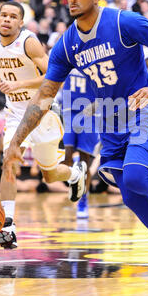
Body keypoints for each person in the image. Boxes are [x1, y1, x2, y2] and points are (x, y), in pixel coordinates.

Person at [2, 0, 148, 283]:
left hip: (141, 109)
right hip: (110, 118)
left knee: (136, 179)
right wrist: (16, 142)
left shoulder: (122, 22)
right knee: (130, 193)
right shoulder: (67, 43)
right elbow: (45, 93)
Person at [0, 1, 87, 249]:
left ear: (21, 22)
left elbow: (54, 75)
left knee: (49, 175)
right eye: (3, 15)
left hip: (42, 112)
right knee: (9, 157)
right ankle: (8, 224)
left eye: (12, 16)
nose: (6, 19)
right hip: (16, 114)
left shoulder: (28, 42)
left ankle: (74, 174)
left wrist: (19, 85)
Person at [62, 68, 100, 219]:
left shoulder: (96, 58)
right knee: (67, 155)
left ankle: (83, 199)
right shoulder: (66, 51)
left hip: (89, 112)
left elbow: (106, 89)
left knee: (85, 161)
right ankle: (74, 175)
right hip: (69, 110)